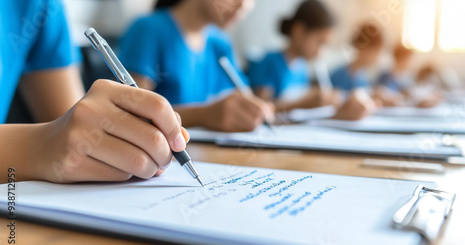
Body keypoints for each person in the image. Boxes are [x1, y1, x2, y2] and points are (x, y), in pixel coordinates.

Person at [0, 0, 188, 184]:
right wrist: (41, 147)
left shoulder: (42, 7)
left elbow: (76, 138)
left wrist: (124, 139)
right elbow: (60, 144)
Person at [120, 0, 274, 132]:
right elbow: (132, 116)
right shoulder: (148, 29)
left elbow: (243, 100)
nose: (245, 5)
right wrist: (205, 115)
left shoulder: (220, 43)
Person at [247, 0, 374, 120]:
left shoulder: (301, 69)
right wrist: (306, 103)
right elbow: (260, 111)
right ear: (299, 31)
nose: (320, 52)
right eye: (319, 42)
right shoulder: (268, 63)